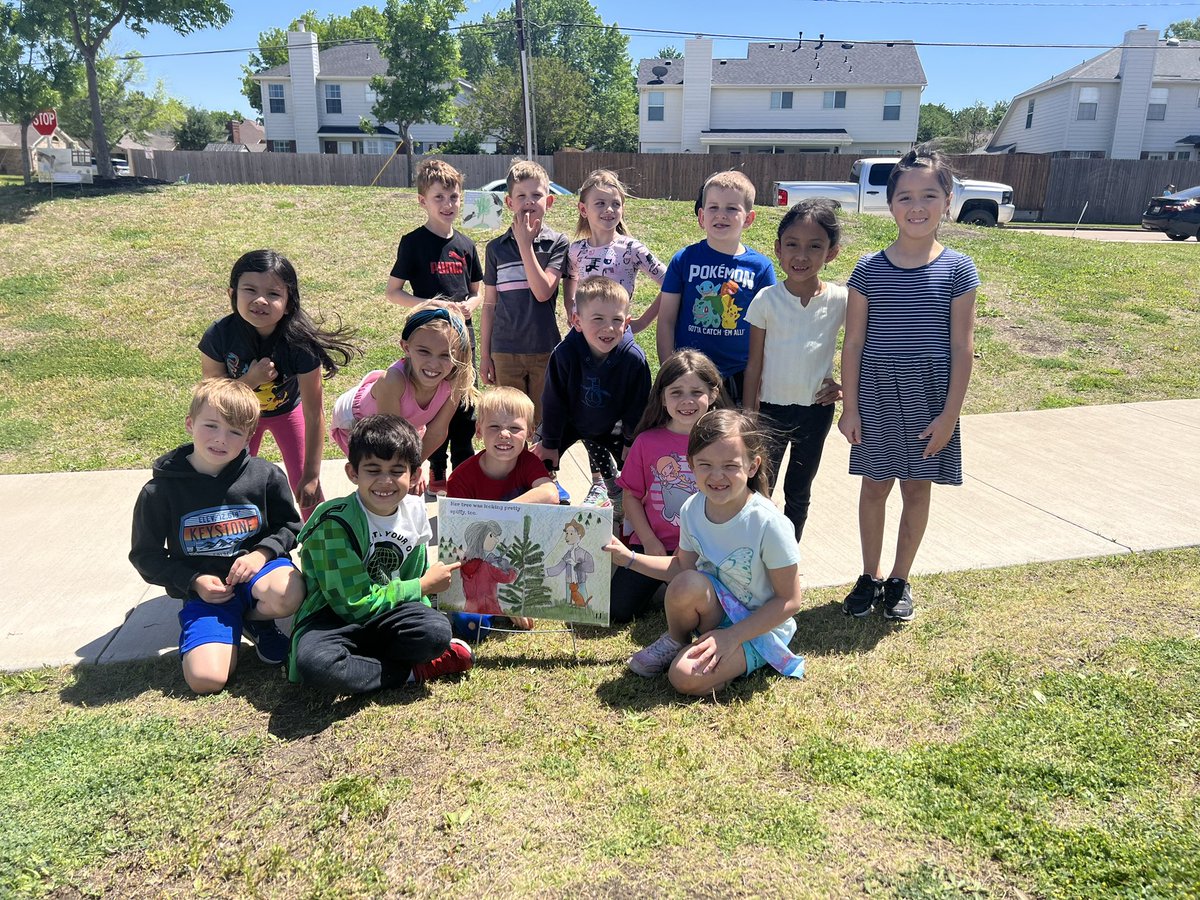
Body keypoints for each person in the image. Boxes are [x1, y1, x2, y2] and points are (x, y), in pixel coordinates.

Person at [837, 147, 980, 623]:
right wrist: (850, 407)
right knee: (874, 487)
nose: (916, 207)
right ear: (891, 203)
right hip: (876, 396)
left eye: (928, 195)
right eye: (905, 197)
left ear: (948, 199)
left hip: (929, 399)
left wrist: (950, 415)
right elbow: (853, 344)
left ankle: (900, 579)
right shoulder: (868, 269)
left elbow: (963, 348)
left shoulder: (959, 270)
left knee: (917, 490)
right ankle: (870, 576)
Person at [605, 409, 805, 696]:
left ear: (752, 465)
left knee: (683, 677)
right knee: (686, 583)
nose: (717, 475)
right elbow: (681, 568)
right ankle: (677, 639)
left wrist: (732, 637)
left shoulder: (768, 523)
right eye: (706, 464)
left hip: (760, 628)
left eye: (730, 465)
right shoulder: (693, 509)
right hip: (718, 610)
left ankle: (740, 660)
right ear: (691, 465)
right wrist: (628, 558)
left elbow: (790, 600)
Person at [129, 378, 306, 694]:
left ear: (250, 437)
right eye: (211, 426)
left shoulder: (265, 476)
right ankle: (227, 622)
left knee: (288, 593)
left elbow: (290, 527)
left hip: (258, 577)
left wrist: (261, 553)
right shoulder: (160, 491)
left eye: (235, 431)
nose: (221, 439)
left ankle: (255, 620)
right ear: (189, 423)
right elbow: (146, 556)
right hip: (207, 590)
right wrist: (193, 580)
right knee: (206, 681)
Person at [289, 415, 475, 694]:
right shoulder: (333, 524)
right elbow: (352, 605)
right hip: (332, 619)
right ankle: (409, 672)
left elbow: (413, 578)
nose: (385, 481)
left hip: (386, 614)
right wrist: (422, 585)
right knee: (315, 664)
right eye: (373, 470)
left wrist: (423, 606)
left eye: (396, 470)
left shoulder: (414, 511)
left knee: (435, 632)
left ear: (413, 475)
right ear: (353, 473)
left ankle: (369, 666)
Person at [200, 249, 358, 520]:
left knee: (307, 490)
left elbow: (313, 413)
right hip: (238, 418)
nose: (260, 299)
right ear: (232, 294)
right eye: (250, 289)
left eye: (273, 294)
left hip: (288, 413)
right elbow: (213, 400)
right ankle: (235, 542)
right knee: (229, 481)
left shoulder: (300, 342)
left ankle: (320, 549)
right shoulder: (219, 335)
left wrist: (312, 474)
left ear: (288, 303)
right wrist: (251, 380)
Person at [744, 198, 848, 541]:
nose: (801, 256)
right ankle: (756, 558)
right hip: (770, 412)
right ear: (778, 248)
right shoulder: (766, 300)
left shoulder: (841, 300)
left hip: (815, 412)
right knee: (761, 489)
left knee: (799, 492)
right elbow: (754, 363)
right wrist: (749, 415)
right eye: (792, 245)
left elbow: (860, 347)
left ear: (830, 253)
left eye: (814, 246)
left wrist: (845, 387)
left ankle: (788, 559)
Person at [385, 158, 483, 494]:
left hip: (462, 342)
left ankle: (465, 476)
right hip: (428, 344)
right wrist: (430, 305)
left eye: (454, 197)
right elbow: (393, 293)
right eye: (439, 197)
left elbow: (477, 290)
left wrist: (471, 305)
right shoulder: (413, 242)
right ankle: (436, 471)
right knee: (434, 406)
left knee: (464, 410)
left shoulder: (466, 245)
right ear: (422, 200)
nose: (448, 204)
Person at [610, 349, 728, 623]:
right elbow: (631, 497)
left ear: (712, 395)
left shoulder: (725, 442)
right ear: (662, 397)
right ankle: (664, 585)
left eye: (696, 392)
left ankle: (673, 585)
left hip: (708, 550)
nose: (687, 401)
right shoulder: (646, 442)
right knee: (618, 610)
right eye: (676, 392)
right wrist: (650, 542)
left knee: (714, 609)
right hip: (655, 546)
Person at [654, 170, 776, 405]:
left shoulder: (761, 267)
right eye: (713, 207)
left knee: (733, 439)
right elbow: (666, 320)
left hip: (739, 374)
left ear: (749, 218)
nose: (721, 215)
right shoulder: (684, 259)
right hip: (690, 372)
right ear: (701, 216)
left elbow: (768, 330)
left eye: (732, 208)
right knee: (689, 438)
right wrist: (669, 372)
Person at [329, 303, 477, 495]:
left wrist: (414, 467)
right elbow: (389, 438)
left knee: (400, 479)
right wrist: (407, 471)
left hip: (405, 424)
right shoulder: (394, 381)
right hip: (356, 422)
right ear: (406, 347)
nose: (434, 363)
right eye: (424, 351)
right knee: (378, 479)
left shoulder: (454, 381)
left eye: (446, 355)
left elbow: (438, 431)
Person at [535, 276, 652, 511]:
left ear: (627, 323)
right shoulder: (565, 354)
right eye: (598, 318)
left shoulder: (634, 359)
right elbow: (553, 400)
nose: (608, 328)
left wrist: (631, 439)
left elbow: (638, 404)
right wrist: (549, 441)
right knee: (538, 455)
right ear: (577, 321)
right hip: (570, 418)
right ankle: (543, 496)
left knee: (640, 461)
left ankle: (623, 499)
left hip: (614, 423)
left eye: (616, 320)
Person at [480, 159, 569, 427]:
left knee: (542, 422)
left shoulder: (558, 243)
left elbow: (543, 292)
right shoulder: (495, 248)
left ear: (549, 202)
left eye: (536, 195)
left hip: (544, 349)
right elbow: (489, 305)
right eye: (521, 195)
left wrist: (525, 244)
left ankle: (542, 469)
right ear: (509, 203)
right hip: (504, 351)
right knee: (509, 422)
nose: (529, 201)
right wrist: (485, 356)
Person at [563, 169, 666, 332]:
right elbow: (570, 277)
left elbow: (670, 282)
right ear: (583, 210)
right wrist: (570, 306)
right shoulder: (576, 250)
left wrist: (643, 322)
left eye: (615, 204)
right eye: (600, 203)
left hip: (617, 335)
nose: (609, 209)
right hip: (584, 334)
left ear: (622, 209)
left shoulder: (632, 249)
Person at [445, 387, 558, 504]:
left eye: (515, 428)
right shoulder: (460, 479)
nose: (504, 434)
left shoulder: (529, 462)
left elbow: (551, 495)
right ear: (479, 430)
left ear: (530, 433)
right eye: (494, 426)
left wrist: (504, 510)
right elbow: (454, 519)